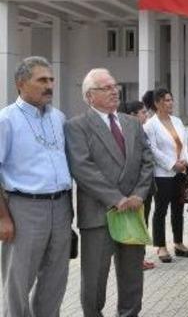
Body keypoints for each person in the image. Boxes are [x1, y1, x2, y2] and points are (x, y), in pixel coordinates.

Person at [65, 68, 154, 317]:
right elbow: (83, 168)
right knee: (94, 280)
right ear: (89, 96)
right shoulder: (77, 126)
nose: (114, 91)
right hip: (98, 214)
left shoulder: (131, 123)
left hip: (132, 211)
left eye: (115, 86)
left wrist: (138, 194)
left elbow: (148, 161)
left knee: (133, 278)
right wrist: (117, 198)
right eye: (106, 88)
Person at [0, 57, 73, 317]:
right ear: (21, 84)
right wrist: (3, 218)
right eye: (42, 80)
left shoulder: (58, 118)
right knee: (18, 282)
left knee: (55, 280)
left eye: (51, 79)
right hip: (24, 209)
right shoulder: (6, 120)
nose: (49, 85)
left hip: (61, 207)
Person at [142, 88, 188, 265]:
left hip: (181, 171)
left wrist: (184, 161)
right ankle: (160, 245)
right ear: (157, 103)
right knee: (161, 210)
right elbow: (153, 149)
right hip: (163, 173)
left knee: (178, 209)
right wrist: (172, 164)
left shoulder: (177, 121)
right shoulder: (151, 124)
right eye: (166, 100)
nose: (170, 103)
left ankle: (179, 243)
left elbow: (185, 143)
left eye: (171, 100)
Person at [120, 99, 157, 271]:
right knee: (135, 223)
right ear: (132, 115)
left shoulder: (141, 131)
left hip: (146, 188)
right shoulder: (127, 134)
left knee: (143, 222)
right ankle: (135, 259)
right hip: (133, 190)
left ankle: (139, 257)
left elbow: (148, 160)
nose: (146, 115)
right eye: (142, 112)